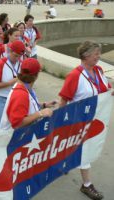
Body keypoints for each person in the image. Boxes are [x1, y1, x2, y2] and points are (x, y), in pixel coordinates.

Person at [59, 41, 113, 200]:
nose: (99, 57)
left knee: (76, 146)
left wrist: (111, 92)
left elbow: (105, 88)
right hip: (79, 121)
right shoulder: (74, 75)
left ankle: (64, 162)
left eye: (98, 53)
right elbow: (63, 99)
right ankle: (86, 184)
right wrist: (61, 120)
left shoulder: (98, 70)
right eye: (96, 54)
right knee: (85, 151)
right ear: (86, 55)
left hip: (96, 119)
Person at [0, 58, 54, 131]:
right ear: (36, 75)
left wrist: (43, 105)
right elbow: (18, 124)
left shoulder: (25, 87)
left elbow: (27, 106)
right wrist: (40, 113)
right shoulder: (21, 94)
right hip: (11, 140)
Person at [0, 40, 25, 128]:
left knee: (13, 125)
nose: (17, 58)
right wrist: (10, 83)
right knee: (2, 127)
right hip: (1, 98)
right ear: (10, 51)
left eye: (19, 56)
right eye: (15, 55)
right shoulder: (0, 64)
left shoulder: (21, 64)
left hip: (15, 98)